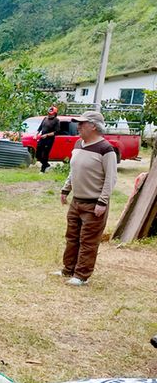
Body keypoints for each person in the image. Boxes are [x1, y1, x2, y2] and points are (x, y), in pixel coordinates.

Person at [55, 111, 116, 286]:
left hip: (93, 203)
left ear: (94, 126)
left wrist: (102, 202)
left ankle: (81, 276)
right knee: (72, 237)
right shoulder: (78, 144)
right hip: (77, 201)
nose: (78, 126)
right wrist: (66, 189)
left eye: (82, 123)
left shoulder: (106, 149)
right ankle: (68, 269)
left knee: (88, 241)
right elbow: (73, 171)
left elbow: (110, 178)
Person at [35, 106, 60, 173]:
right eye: (49, 113)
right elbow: (40, 128)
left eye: (51, 113)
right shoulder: (45, 118)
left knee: (45, 154)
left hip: (49, 140)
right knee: (38, 154)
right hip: (42, 138)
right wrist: (36, 134)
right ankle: (46, 165)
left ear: (54, 113)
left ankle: (42, 170)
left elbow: (56, 132)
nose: (49, 114)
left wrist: (47, 135)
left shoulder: (56, 121)